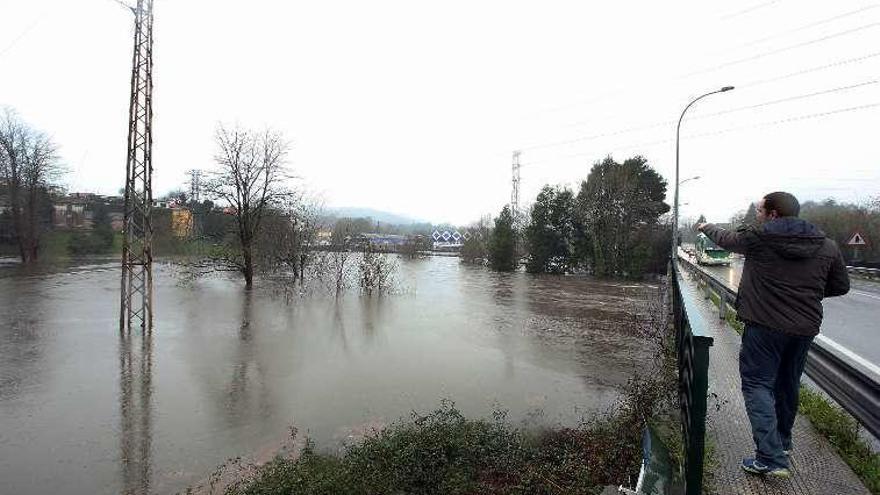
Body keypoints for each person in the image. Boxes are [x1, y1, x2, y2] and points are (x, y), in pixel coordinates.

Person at [696, 191, 849, 478]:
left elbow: (726, 239)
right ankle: (783, 444)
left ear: (773, 214)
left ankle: (770, 458)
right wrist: (808, 293)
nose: (757, 215)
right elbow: (841, 286)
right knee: (787, 385)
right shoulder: (826, 245)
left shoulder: (759, 238)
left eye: (760, 210)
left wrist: (705, 226)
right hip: (803, 329)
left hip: (764, 327)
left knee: (757, 385)